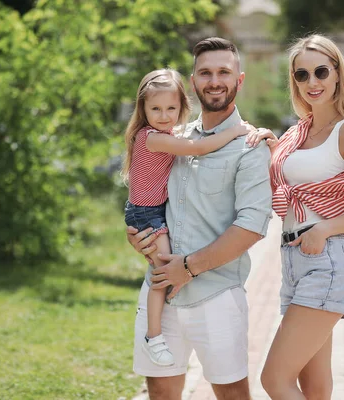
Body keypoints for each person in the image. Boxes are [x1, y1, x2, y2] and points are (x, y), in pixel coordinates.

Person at [245, 33, 344, 399]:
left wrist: (324, 229)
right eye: (302, 75)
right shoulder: (298, 133)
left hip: (327, 263)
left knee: (274, 379)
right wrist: (270, 146)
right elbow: (283, 181)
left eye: (320, 72)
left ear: (336, 74)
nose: (312, 82)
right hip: (295, 263)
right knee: (314, 388)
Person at [126, 37, 273, 399]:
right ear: (193, 82)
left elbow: (252, 226)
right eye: (205, 72)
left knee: (232, 394)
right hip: (161, 289)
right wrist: (135, 234)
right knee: (159, 392)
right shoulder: (172, 136)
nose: (214, 80)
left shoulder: (251, 145)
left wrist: (188, 268)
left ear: (239, 80)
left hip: (216, 294)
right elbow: (145, 193)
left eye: (224, 71)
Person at [121, 68, 252, 367]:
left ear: (182, 107)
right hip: (147, 216)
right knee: (162, 273)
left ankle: (172, 297)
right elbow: (198, 147)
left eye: (171, 108)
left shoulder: (165, 135)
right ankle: (153, 337)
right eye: (156, 109)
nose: (164, 115)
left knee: (165, 269)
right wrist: (235, 131)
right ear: (143, 109)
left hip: (151, 212)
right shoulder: (152, 138)